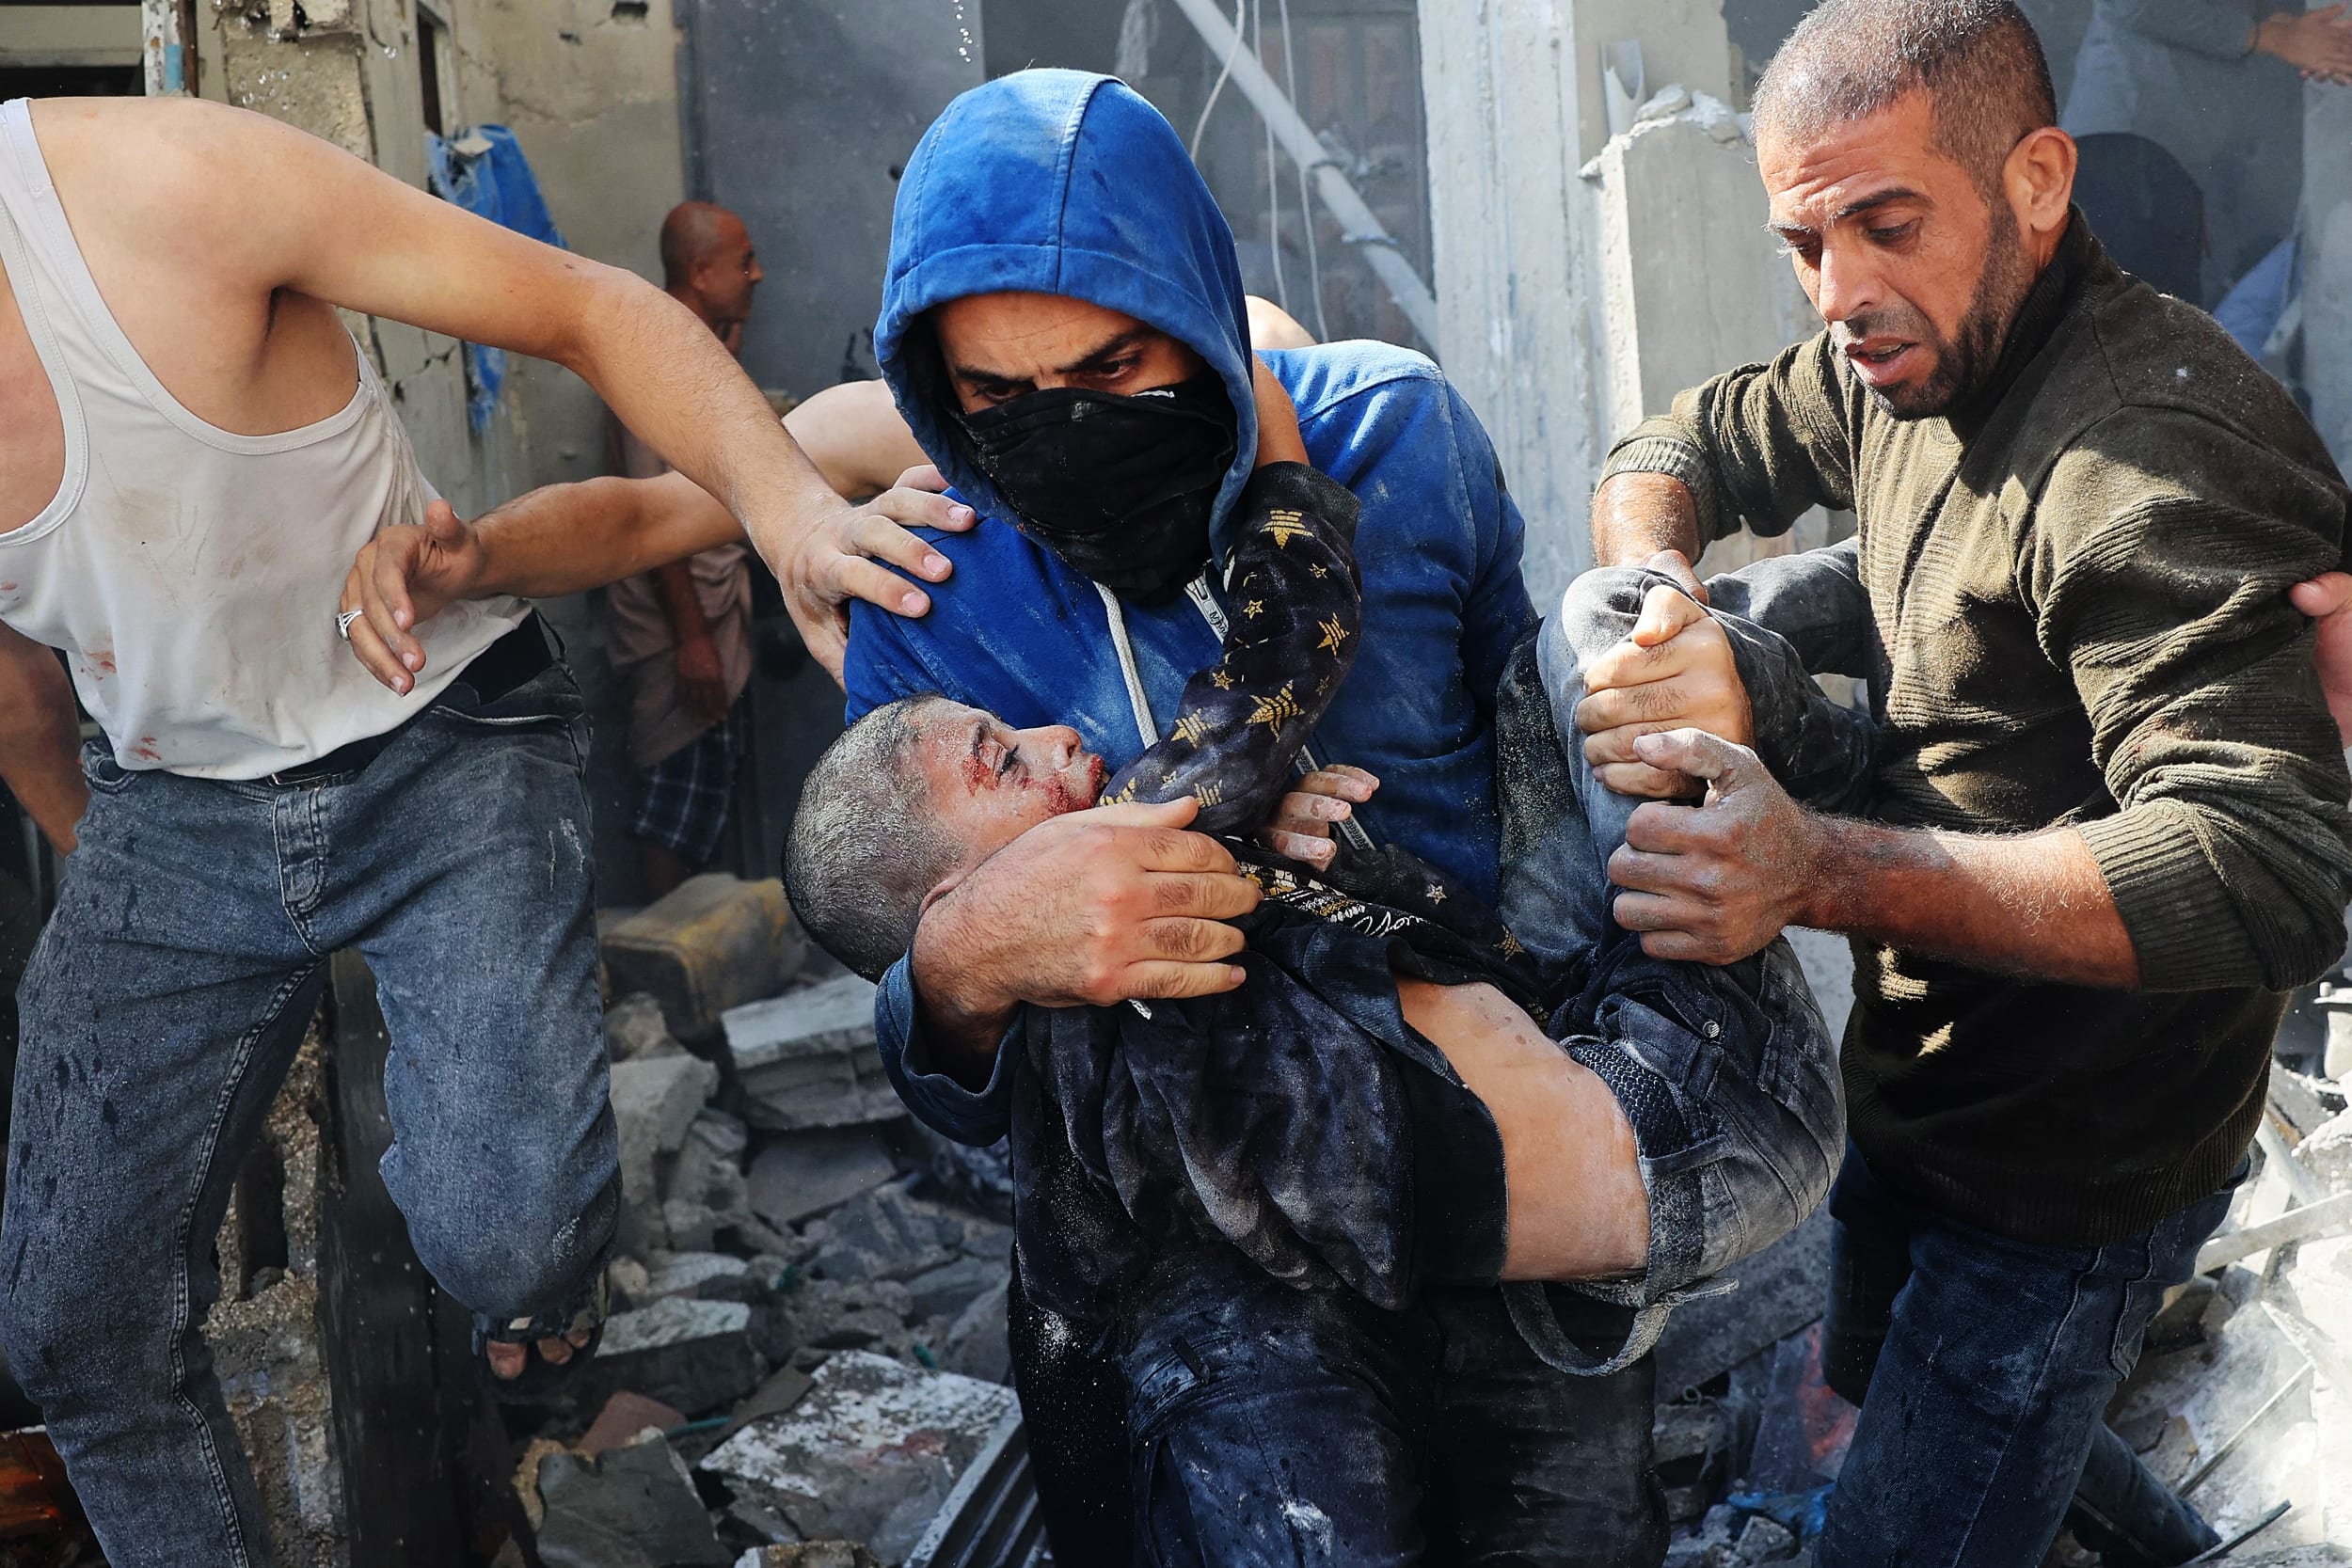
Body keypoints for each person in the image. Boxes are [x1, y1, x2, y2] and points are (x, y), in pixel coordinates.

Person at [331, 71, 1846, 1566]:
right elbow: (944, 1025)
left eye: (1118, 366)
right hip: (1234, 1270)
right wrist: (969, 960)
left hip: (1521, 1165)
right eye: (998, 396)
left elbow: (1534, 768)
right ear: (935, 384)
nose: (1061, 431)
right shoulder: (925, 582)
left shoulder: (1396, 434)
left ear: (1201, 318)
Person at [0, 93, 884, 1568]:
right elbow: (24, 695)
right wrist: (128, 931)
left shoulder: (159, 186)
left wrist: (789, 514)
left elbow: (592, 308)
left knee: (507, 1240)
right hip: (170, 806)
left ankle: (542, 1280)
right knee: (71, 1324)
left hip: (441, 738)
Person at [1574, 4, 2352, 1563]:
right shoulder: (1903, 352)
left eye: (1887, 223)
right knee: (1894, 1376)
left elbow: (2265, 869)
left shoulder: (2146, 458)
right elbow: (1685, 441)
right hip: (1929, 1080)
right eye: (1806, 243)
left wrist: (1814, 869)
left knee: (1945, 1467)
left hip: (2075, 1170)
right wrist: (1655, 597)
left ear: (2039, 180)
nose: (1840, 290)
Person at [606, 200, 766, 896]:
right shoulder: (655, 355)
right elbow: (652, 515)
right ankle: (664, 952)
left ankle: (696, 944)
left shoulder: (692, 347)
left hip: (704, 615)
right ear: (700, 272)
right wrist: (694, 640)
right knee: (675, 800)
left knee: (699, 792)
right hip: (675, 628)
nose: (757, 275)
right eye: (743, 262)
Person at [2065, 0, 2352, 303]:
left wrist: (2297, 33)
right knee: (2128, 312)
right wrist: (2272, 35)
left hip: (2179, 154)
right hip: (2129, 136)